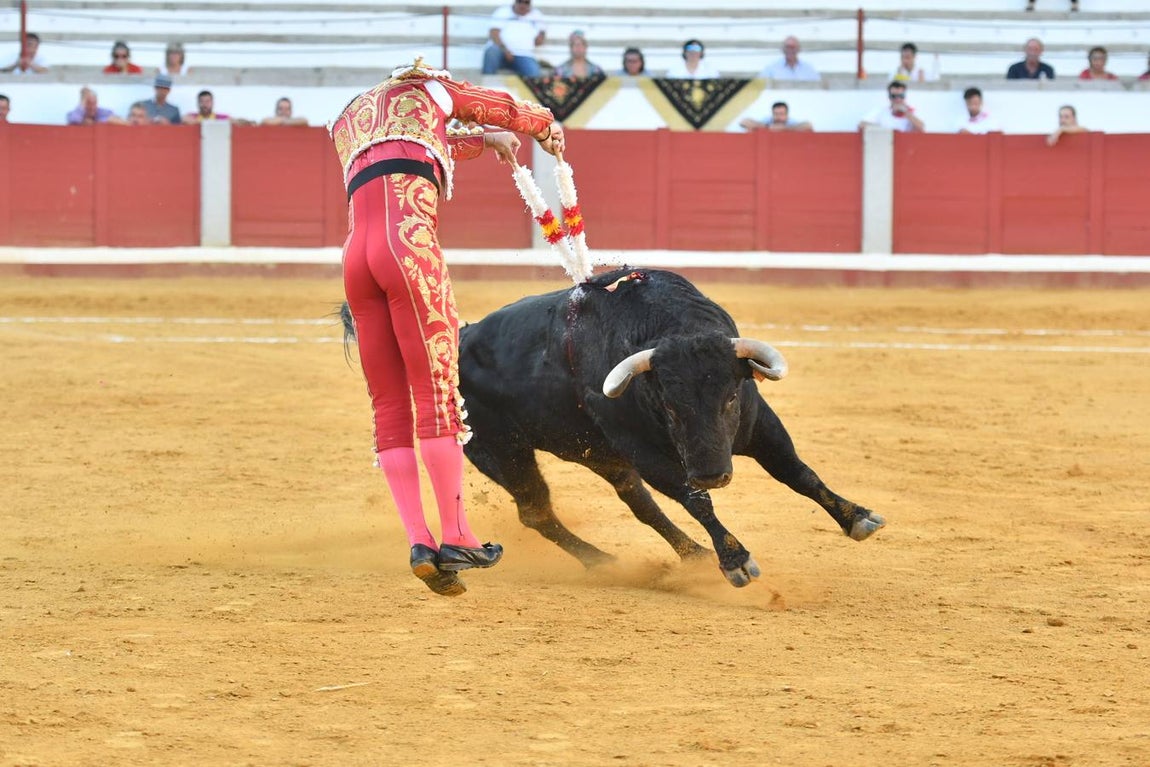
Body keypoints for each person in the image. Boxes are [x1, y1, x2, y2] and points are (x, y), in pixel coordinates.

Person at [328, 58, 565, 596]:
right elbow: (494, 104)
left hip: (356, 263)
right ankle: (456, 534)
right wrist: (543, 124)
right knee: (436, 396)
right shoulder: (431, 88)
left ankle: (420, 542)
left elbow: (428, 144)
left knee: (388, 407)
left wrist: (487, 144)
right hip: (406, 251)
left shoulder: (353, 121)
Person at [482, 0, 545, 77]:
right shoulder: (503, 11)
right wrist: (505, 50)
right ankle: (486, 85)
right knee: (491, 51)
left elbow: (541, 36)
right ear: (515, 2)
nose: (523, 5)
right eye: (520, 1)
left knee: (534, 73)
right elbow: (494, 33)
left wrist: (540, 37)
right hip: (501, 51)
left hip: (524, 54)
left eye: (526, 2)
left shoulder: (536, 15)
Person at [858, 81, 925, 132]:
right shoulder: (880, 111)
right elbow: (862, 125)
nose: (897, 99)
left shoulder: (911, 112)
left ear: (904, 97)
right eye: (894, 96)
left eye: (900, 96)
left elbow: (921, 127)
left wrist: (905, 112)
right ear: (889, 97)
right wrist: (886, 131)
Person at [739, 101, 812, 131]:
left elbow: (808, 125)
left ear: (787, 115)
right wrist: (767, 127)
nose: (778, 117)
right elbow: (744, 122)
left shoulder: (791, 122)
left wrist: (785, 128)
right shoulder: (767, 121)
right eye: (776, 114)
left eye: (781, 114)